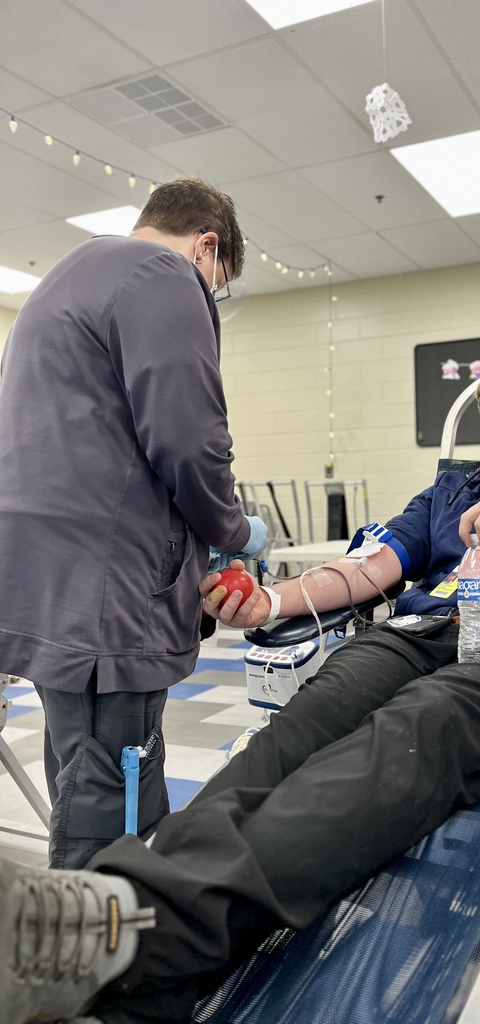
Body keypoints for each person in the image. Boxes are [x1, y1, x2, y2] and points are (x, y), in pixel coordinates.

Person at [0, 352, 480, 1024]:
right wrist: (272, 601)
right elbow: (372, 568)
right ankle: (127, 949)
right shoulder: (450, 495)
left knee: (416, 727)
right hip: (420, 634)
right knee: (299, 730)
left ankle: (131, 935)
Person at [0, 178, 267, 870]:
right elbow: (189, 438)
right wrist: (237, 532)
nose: (211, 296)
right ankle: (106, 973)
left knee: (78, 764)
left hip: (46, 581)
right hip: (107, 593)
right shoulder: (165, 275)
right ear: (206, 247)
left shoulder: (67, 275)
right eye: (219, 284)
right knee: (116, 801)